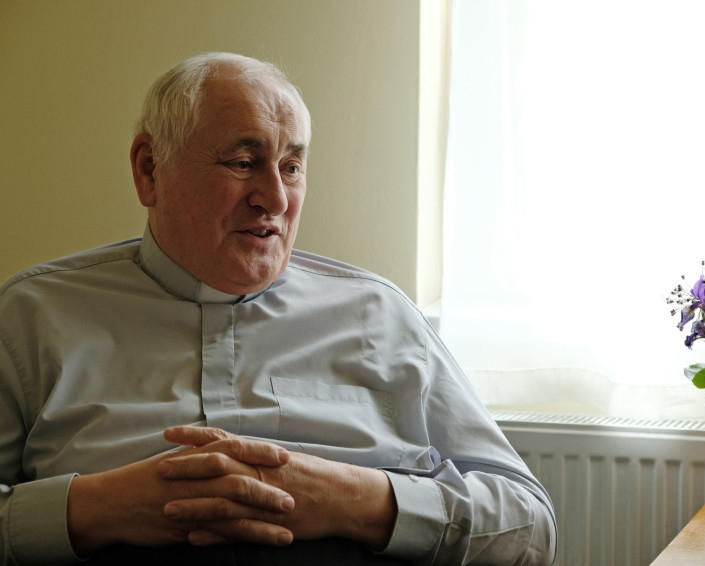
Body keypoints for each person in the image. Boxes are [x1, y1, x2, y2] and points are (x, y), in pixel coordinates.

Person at [0, 52, 557, 566]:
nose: (276, 197)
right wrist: (95, 509)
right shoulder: (32, 317)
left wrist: (357, 499)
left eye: (291, 167)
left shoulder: (380, 315)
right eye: (244, 162)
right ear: (150, 169)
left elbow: (530, 527)